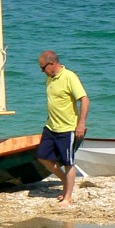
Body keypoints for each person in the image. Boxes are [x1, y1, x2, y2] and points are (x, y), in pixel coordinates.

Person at [37, 50, 89, 207]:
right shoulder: (50, 79)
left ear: (52, 64)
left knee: (68, 162)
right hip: (51, 127)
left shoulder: (69, 77)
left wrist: (81, 124)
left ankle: (68, 197)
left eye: (43, 67)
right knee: (42, 156)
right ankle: (65, 182)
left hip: (67, 128)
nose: (42, 71)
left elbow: (85, 100)